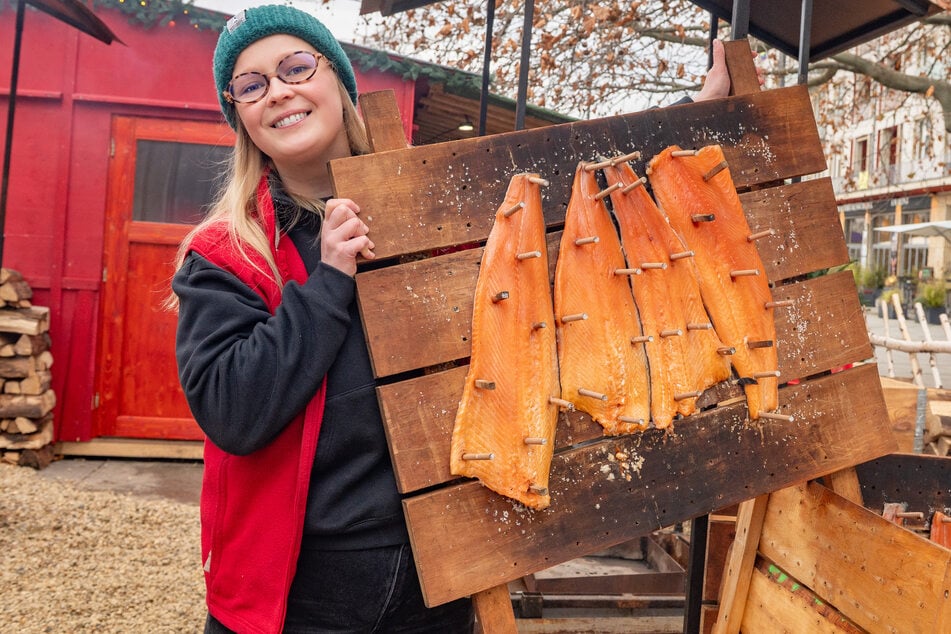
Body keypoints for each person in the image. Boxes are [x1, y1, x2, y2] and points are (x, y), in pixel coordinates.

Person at [171, 5, 736, 632]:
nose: (278, 91)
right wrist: (328, 281)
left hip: (436, 574)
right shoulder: (225, 253)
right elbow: (232, 411)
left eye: (295, 67)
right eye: (251, 85)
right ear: (241, 116)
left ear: (336, 80)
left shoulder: (433, 210)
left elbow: (568, 225)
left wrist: (692, 115)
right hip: (301, 593)